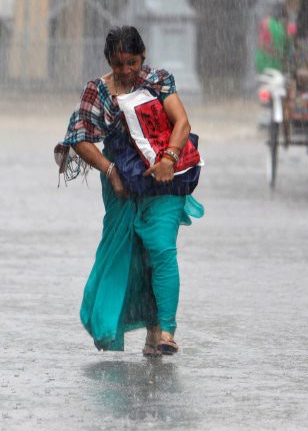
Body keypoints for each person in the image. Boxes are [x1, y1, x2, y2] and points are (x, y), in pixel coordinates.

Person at [57, 25, 204, 357]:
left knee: (161, 249)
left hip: (164, 179)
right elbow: (79, 139)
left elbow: (182, 122)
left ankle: (164, 330)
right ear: (108, 60)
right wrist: (111, 172)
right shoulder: (98, 91)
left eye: (132, 63)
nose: (125, 71)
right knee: (128, 258)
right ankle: (128, 324)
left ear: (143, 57)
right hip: (121, 184)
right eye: (118, 63)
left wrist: (169, 158)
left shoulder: (159, 81)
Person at [256, 1, 289, 74]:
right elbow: (283, 51)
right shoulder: (281, 28)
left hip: (261, 64)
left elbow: (261, 44)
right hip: (274, 67)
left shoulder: (265, 22)